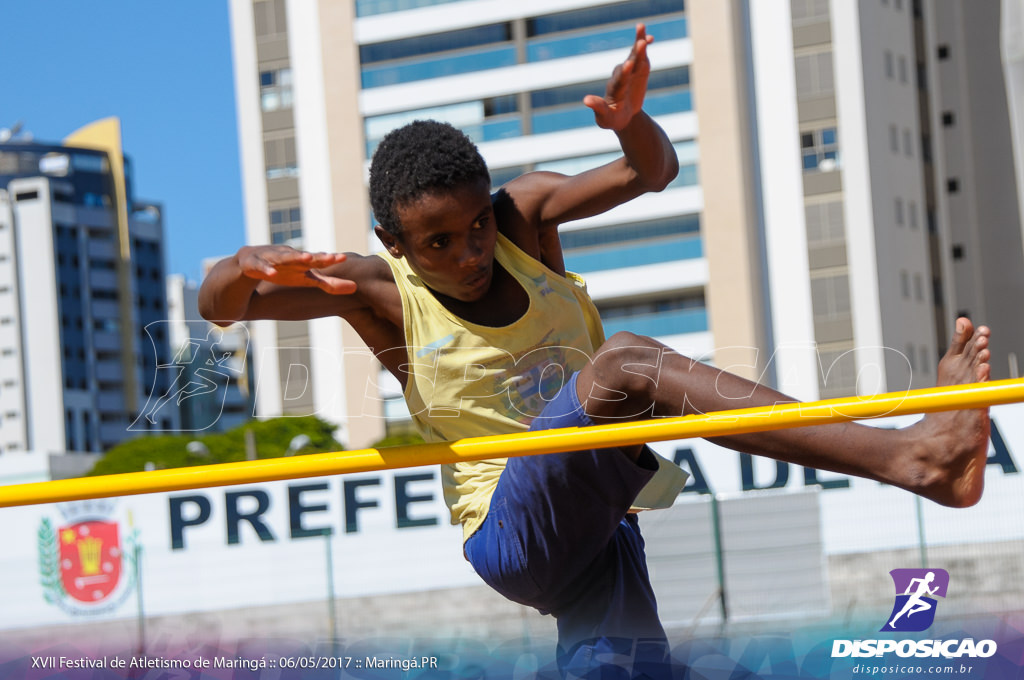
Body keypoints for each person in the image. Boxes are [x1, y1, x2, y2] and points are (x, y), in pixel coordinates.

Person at [199, 24, 992, 676]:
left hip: (599, 521)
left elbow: (652, 172)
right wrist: (243, 268)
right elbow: (221, 306)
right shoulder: (379, 291)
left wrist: (629, 124)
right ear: (395, 243)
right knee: (623, 368)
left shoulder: (526, 217)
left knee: (626, 667)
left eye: (476, 225)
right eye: (440, 242)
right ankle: (910, 460)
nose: (471, 252)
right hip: (510, 528)